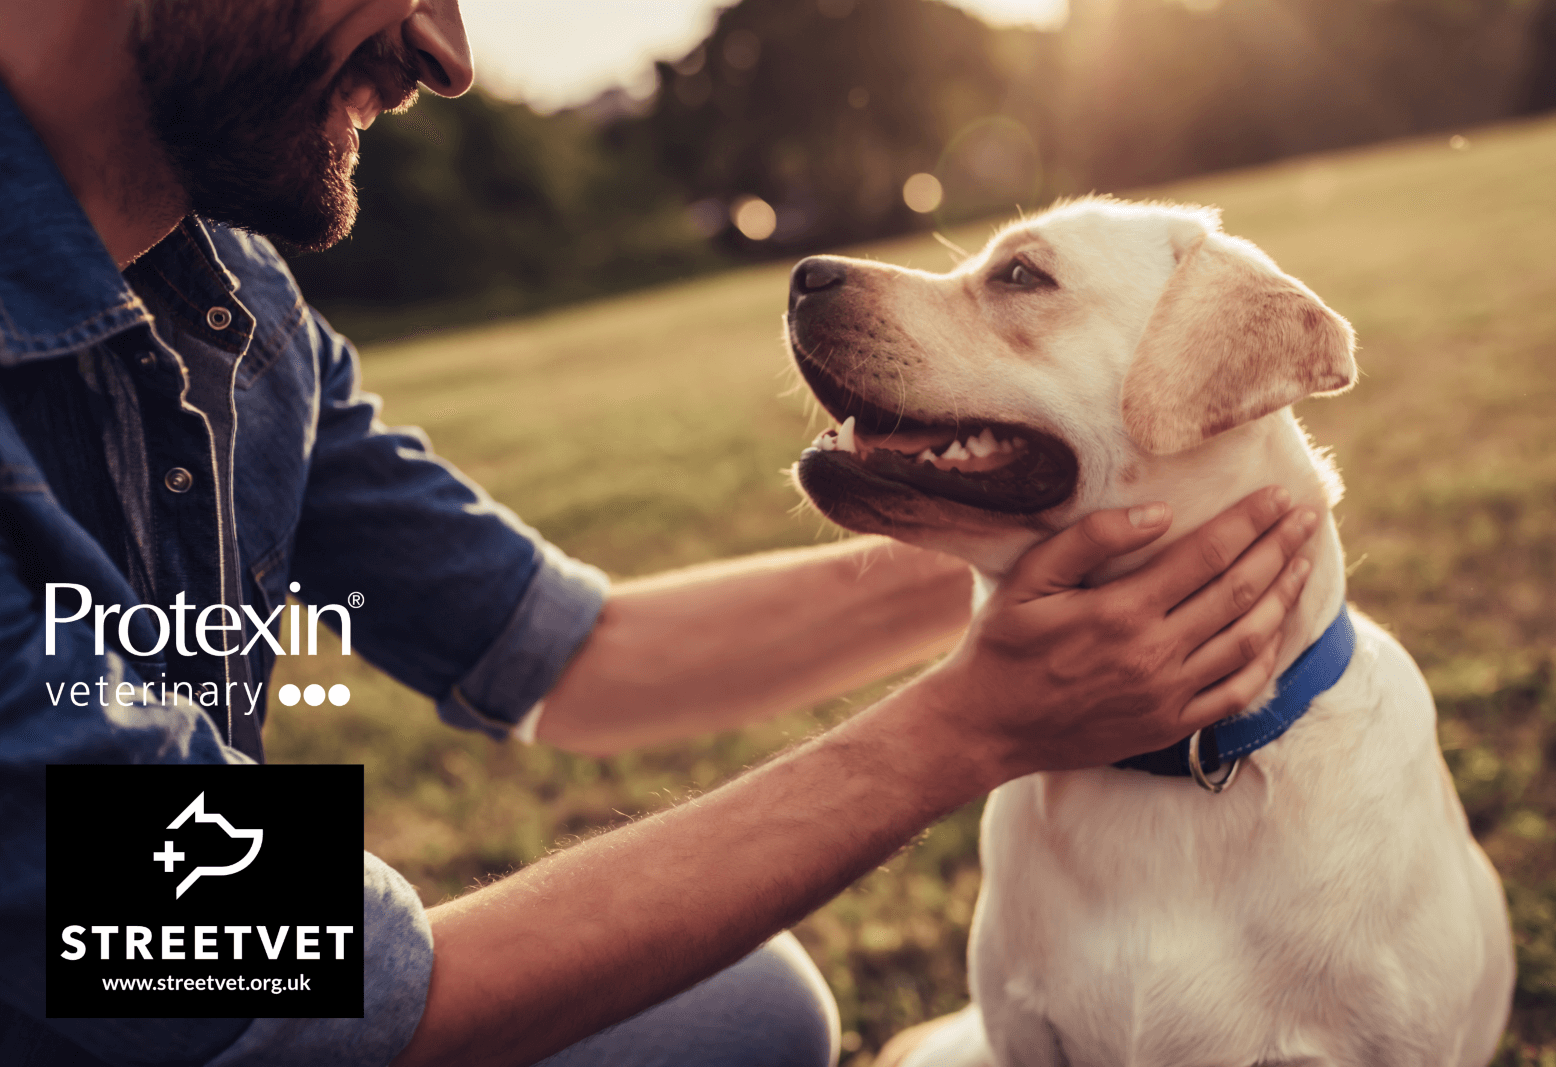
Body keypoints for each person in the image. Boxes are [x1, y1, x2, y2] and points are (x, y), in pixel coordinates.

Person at [0, 3, 1319, 1065]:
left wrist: (1071, 543)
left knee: (745, 1006)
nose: (449, 53)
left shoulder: (231, 306)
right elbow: (269, 995)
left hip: (139, 972)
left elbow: (580, 652)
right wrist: (972, 723)